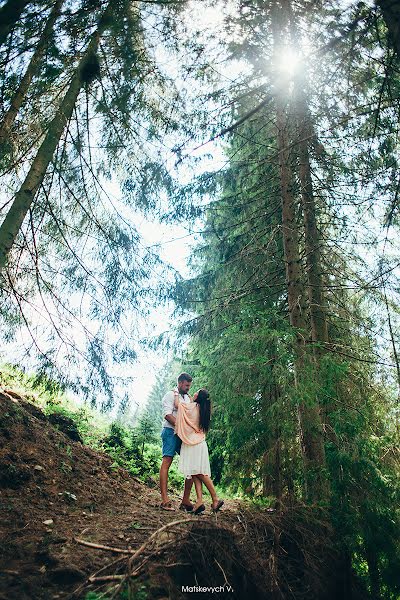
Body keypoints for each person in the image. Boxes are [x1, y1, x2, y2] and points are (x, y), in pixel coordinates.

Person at [175, 388, 224, 514]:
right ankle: (199, 502)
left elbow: (177, 405)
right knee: (195, 472)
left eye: (196, 392)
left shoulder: (193, 407)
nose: (194, 393)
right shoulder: (203, 409)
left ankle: (215, 499)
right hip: (200, 443)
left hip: (193, 444)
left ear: (199, 397)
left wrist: (176, 393)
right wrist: (192, 399)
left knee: (200, 473)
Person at [159, 372, 194, 511]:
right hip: (170, 432)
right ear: (180, 383)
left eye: (189, 386)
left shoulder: (187, 398)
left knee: (191, 464)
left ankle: (185, 501)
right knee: (167, 461)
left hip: (183, 434)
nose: (188, 388)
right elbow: (167, 415)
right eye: (186, 386)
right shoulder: (169, 395)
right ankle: (165, 500)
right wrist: (180, 427)